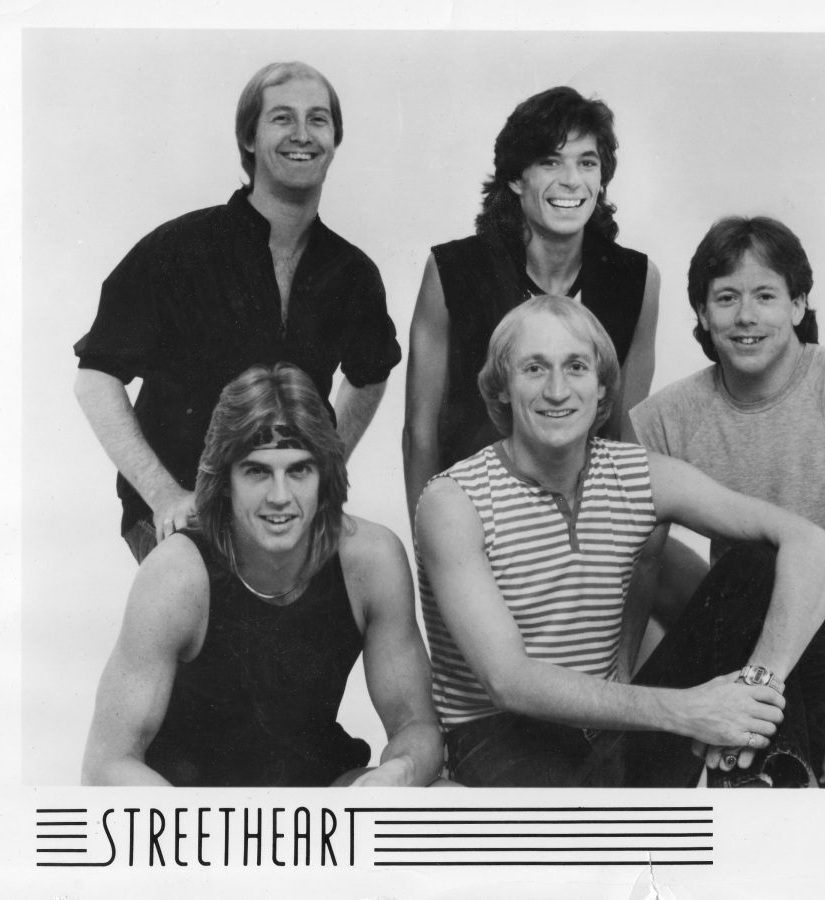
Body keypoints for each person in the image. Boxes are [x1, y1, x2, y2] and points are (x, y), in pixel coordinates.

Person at [415, 294, 825, 787]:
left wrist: (756, 687)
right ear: (502, 388)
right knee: (590, 828)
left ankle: (761, 781)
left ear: (601, 387)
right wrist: (690, 710)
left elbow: (814, 545)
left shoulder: (635, 475)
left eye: (576, 367)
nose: (557, 390)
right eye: (534, 369)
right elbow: (508, 681)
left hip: (609, 731)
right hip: (500, 739)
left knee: (755, 566)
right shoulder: (455, 500)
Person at [630, 215, 825, 788]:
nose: (746, 316)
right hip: (742, 635)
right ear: (702, 314)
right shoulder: (663, 419)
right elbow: (642, 563)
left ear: (798, 304)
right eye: (726, 298)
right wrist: (620, 681)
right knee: (755, 806)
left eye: (765, 295)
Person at [74, 61, 401, 563]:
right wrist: (163, 495)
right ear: (248, 137)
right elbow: (96, 379)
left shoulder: (352, 272)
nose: (302, 134)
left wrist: (324, 470)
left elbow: (371, 374)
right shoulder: (178, 250)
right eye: (282, 118)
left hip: (286, 515)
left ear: (335, 139)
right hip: (186, 519)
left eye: (317, 119)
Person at [82, 362, 443, 787]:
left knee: (444, 795)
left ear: (326, 475)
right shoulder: (177, 574)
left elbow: (416, 725)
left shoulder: (370, 559)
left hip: (318, 794)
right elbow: (106, 765)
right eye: (257, 471)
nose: (280, 496)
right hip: (193, 800)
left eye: (299, 470)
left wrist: (397, 774)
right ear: (225, 479)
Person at [403, 86, 660, 523]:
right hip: (473, 517)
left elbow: (624, 439)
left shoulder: (637, 279)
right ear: (516, 178)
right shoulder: (453, 270)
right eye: (550, 161)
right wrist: (429, 545)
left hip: (583, 518)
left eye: (587, 163)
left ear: (601, 178)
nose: (572, 180)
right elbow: (420, 433)